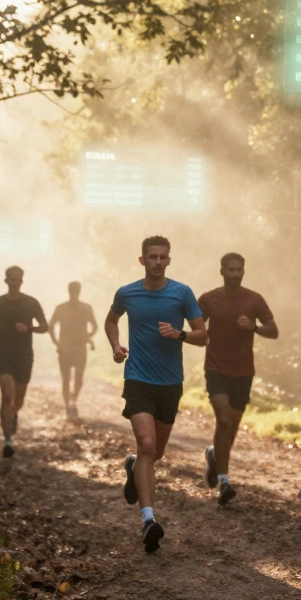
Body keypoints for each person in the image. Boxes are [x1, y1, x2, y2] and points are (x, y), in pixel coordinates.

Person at [105, 236, 208, 553]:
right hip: (137, 378)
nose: (158, 261)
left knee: (154, 453)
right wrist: (115, 346)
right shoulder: (127, 293)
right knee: (147, 444)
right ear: (142, 260)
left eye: (163, 257)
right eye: (153, 256)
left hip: (170, 382)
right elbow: (111, 321)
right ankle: (149, 521)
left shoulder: (182, 293)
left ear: (169, 261)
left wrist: (179, 334)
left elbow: (202, 335)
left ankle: (134, 466)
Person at [198, 253, 278, 506]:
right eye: (231, 269)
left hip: (243, 372)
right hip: (216, 368)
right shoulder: (208, 299)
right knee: (222, 420)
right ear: (222, 271)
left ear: (243, 271)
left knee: (230, 428)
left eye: (239, 269)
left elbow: (273, 331)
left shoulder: (254, 299)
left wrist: (254, 328)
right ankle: (224, 481)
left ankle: (214, 456)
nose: (235, 274)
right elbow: (196, 327)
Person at [0, 267, 48, 458]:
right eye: (11, 279)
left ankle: (14, 414)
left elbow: (45, 327)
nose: (14, 283)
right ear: (6, 280)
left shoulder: (31, 303)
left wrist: (28, 328)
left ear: (22, 281)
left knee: (18, 399)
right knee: (7, 394)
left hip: (24, 355)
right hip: (2, 353)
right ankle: (7, 439)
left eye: (18, 280)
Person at [49, 281, 98, 420]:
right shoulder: (61, 308)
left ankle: (73, 401)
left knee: (79, 377)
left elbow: (94, 325)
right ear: (68, 291)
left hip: (80, 348)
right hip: (64, 348)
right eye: (72, 290)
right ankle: (68, 405)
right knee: (66, 378)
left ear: (79, 291)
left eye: (76, 290)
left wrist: (87, 337)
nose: (74, 293)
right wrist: (57, 343)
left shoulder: (86, 308)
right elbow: (51, 326)